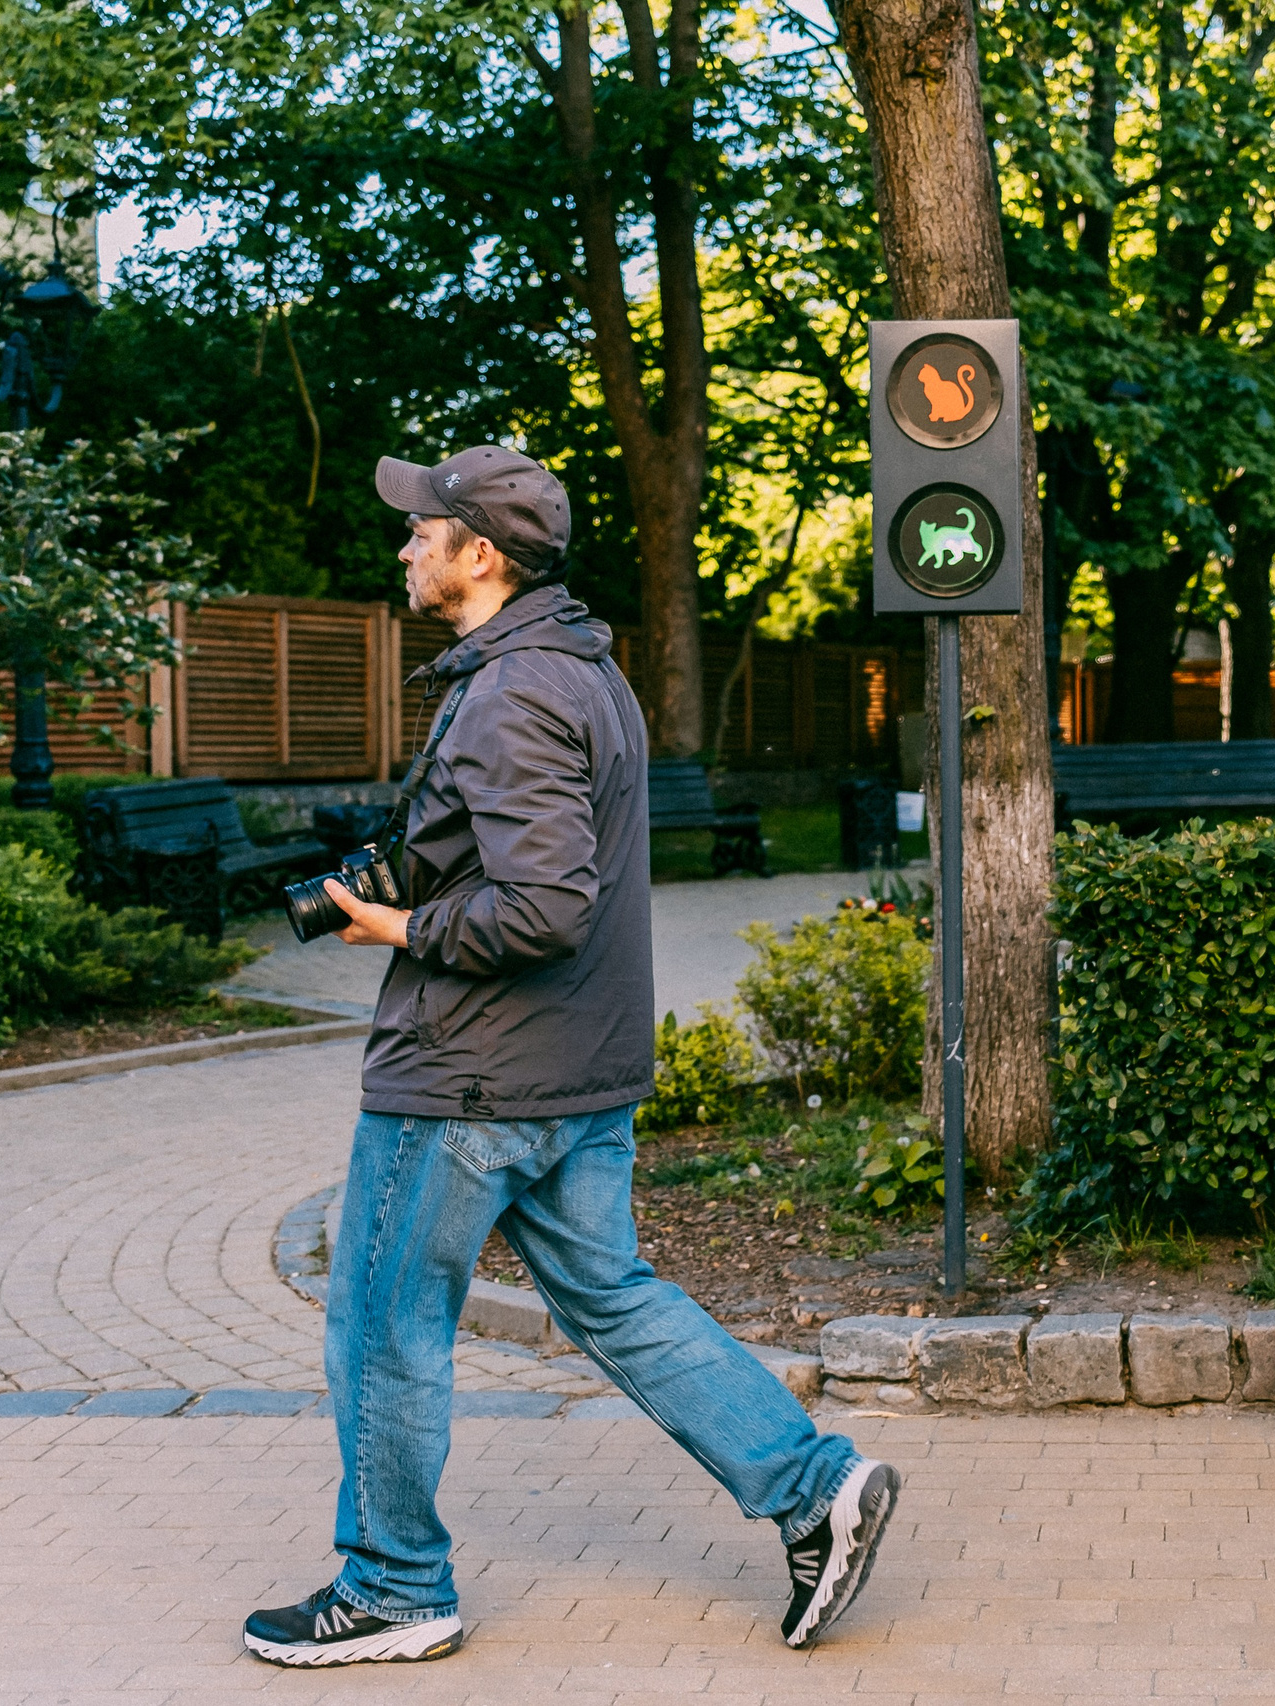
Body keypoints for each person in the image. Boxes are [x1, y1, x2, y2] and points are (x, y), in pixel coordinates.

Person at [243, 446, 899, 1667]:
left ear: (478, 553)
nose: (403, 545)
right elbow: (518, 859)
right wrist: (393, 879)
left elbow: (543, 905)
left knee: (381, 1317)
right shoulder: (583, 671)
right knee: (612, 1295)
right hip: (572, 1068)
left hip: (467, 1074)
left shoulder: (508, 694)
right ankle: (815, 1488)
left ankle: (392, 1584)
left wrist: (392, 923)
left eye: (420, 529)